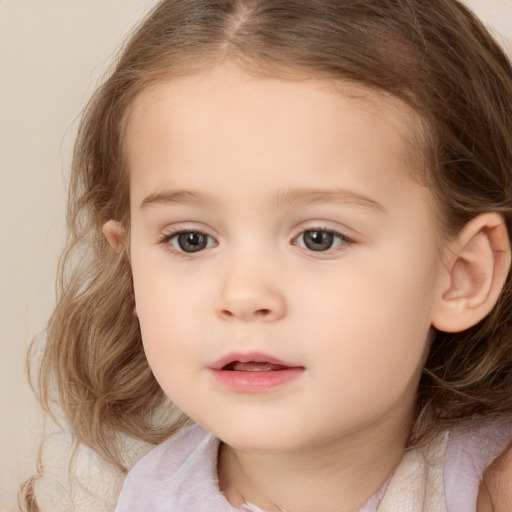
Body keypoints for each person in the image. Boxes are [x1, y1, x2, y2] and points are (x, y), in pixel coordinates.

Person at [20, 0, 512, 511]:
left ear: (460, 275)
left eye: (319, 237)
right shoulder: (96, 494)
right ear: (130, 273)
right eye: (191, 239)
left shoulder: (491, 489)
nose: (244, 295)